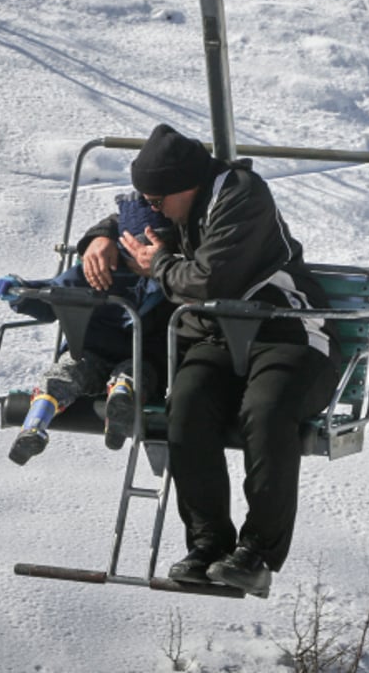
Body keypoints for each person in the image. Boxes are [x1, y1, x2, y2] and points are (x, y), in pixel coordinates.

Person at [80, 123, 342, 598]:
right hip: (220, 339)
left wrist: (157, 266)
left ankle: (257, 553)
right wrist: (99, 238)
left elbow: (209, 282)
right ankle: (208, 545)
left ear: (187, 186)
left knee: (266, 413)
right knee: (188, 404)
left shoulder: (242, 196)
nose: (153, 211)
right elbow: (130, 219)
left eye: (158, 201)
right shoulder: (172, 204)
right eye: (150, 201)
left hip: (289, 333)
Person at [0, 192, 175, 465]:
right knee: (71, 371)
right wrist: (21, 292)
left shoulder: (169, 281)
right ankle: (35, 427)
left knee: (130, 372)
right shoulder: (97, 270)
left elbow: (53, 296)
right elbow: (53, 296)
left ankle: (116, 403)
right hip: (91, 352)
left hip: (135, 358)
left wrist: (22, 294)